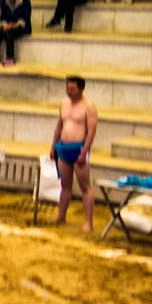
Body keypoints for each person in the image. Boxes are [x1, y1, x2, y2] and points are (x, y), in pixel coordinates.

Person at [50, 76, 98, 232]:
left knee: (85, 186)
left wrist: (84, 151)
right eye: (67, 88)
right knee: (65, 186)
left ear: (81, 89)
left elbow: (91, 131)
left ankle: (88, 222)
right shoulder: (63, 103)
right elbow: (59, 126)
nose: (68, 91)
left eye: (72, 89)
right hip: (63, 148)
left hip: (79, 149)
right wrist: (53, 147)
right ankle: (61, 216)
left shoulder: (89, 106)